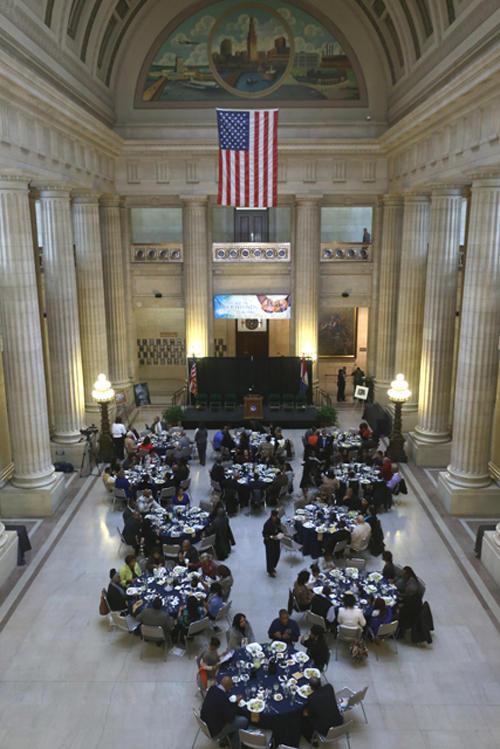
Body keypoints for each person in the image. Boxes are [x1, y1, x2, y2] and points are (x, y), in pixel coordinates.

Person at [200, 676, 248, 749]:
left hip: (206, 721)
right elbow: (230, 718)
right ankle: (235, 743)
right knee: (243, 721)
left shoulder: (212, 688)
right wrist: (236, 702)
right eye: (231, 686)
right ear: (227, 687)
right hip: (215, 730)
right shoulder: (222, 699)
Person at [301, 677, 343, 742]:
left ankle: (310, 738)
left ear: (312, 688)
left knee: (304, 716)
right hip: (339, 722)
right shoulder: (329, 687)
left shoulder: (312, 697)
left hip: (326, 730)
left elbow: (311, 714)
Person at [395, 565, 423, 637]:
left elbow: (405, 610)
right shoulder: (413, 597)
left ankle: (398, 632)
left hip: (407, 617)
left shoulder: (411, 600)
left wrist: (398, 608)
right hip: (406, 608)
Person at [262, 510, 283, 577]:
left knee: (277, 554)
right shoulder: (267, 524)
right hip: (269, 542)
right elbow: (264, 534)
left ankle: (273, 566)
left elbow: (279, 528)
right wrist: (271, 537)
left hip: (276, 540)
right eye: (273, 517)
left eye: (275, 516)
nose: (275, 518)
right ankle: (270, 570)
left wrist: (282, 532)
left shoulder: (278, 521)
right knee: (270, 557)